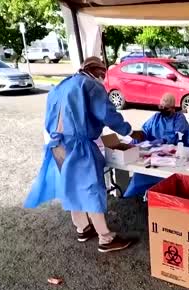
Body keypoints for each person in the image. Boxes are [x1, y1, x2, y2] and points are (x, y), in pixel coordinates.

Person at [24, 56, 133, 253]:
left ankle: (82, 228)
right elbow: (108, 114)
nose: (103, 78)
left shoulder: (62, 85)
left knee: (71, 186)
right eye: (102, 74)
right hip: (78, 146)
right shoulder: (90, 86)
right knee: (90, 187)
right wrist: (127, 130)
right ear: (97, 71)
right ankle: (105, 238)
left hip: (56, 144)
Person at [123, 93, 189, 198]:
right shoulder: (156, 117)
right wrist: (136, 140)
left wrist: (164, 140)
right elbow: (144, 131)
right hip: (153, 152)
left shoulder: (179, 118)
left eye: (166, 108)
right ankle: (139, 193)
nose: (162, 110)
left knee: (166, 175)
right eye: (161, 107)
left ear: (173, 108)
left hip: (173, 155)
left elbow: (178, 136)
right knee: (142, 169)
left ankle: (161, 195)